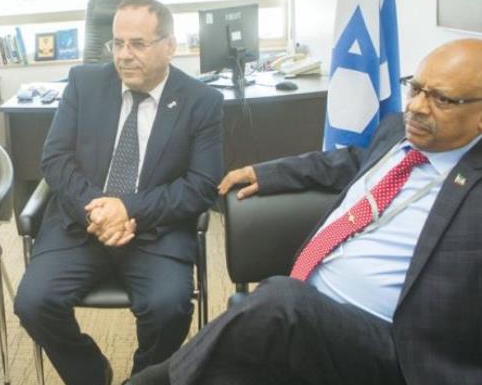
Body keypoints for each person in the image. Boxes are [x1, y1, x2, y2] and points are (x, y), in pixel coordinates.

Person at [129, 38, 482, 385]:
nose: (418, 107)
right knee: (230, 366)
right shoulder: (396, 133)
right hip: (312, 316)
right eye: (416, 89)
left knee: (281, 303)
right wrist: (265, 173)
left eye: (442, 99)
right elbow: (350, 161)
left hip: (395, 348)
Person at [14, 0, 224, 385]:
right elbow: (55, 160)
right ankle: (91, 373)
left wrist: (127, 208)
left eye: (138, 44)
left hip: (154, 230)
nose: (124, 56)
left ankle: (143, 380)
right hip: (81, 224)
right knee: (32, 302)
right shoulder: (84, 83)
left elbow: (202, 187)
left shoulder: (202, 102)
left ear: (170, 46)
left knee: (169, 308)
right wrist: (97, 210)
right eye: (117, 43)